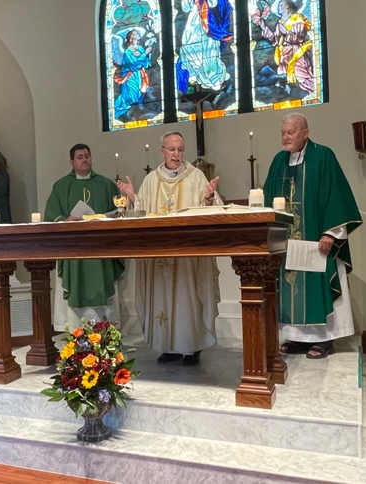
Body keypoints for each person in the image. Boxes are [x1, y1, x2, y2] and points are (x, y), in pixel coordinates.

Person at [116, 131, 221, 365]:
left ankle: (192, 347)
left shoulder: (196, 177)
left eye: (181, 150)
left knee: (187, 297)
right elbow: (142, 211)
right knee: (162, 298)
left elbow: (212, 207)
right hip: (160, 256)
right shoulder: (152, 180)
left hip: (187, 256)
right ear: (162, 150)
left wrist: (209, 198)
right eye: (172, 149)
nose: (176, 154)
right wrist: (133, 197)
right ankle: (169, 346)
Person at [263, 113, 361, 359]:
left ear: (305, 132)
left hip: (317, 239)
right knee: (290, 287)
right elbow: (266, 197)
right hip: (287, 242)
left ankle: (324, 339)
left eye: (291, 132)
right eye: (283, 132)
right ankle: (297, 338)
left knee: (318, 283)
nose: (286, 137)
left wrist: (330, 233)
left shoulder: (323, 156)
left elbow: (336, 196)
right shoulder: (278, 161)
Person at [44, 144, 125, 329]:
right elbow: (51, 214)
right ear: (72, 162)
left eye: (87, 155)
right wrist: (66, 220)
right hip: (74, 249)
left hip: (100, 249)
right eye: (79, 157)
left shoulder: (106, 184)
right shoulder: (61, 186)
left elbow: (119, 211)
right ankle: (76, 332)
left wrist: (105, 218)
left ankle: (106, 332)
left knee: (103, 289)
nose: (84, 159)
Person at [252, 0, 315, 94]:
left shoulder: (298, 19)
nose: (278, 6)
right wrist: (263, 25)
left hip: (296, 52)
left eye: (281, 4)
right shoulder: (280, 23)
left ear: (288, 7)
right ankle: (288, 94)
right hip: (284, 55)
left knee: (301, 75)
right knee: (282, 77)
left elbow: (300, 36)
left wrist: (287, 32)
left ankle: (312, 91)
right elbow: (274, 39)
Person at [176, 0, 232, 93]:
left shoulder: (202, 71)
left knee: (190, 38)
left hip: (197, 36)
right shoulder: (214, 70)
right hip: (204, 30)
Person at [113, 29, 153, 120]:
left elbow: (145, 63)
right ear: (131, 38)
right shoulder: (127, 52)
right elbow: (133, 65)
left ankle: (137, 108)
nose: (138, 34)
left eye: (137, 33)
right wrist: (145, 53)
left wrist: (147, 56)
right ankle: (129, 110)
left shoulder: (140, 48)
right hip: (129, 76)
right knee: (132, 93)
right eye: (135, 33)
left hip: (139, 74)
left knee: (139, 91)